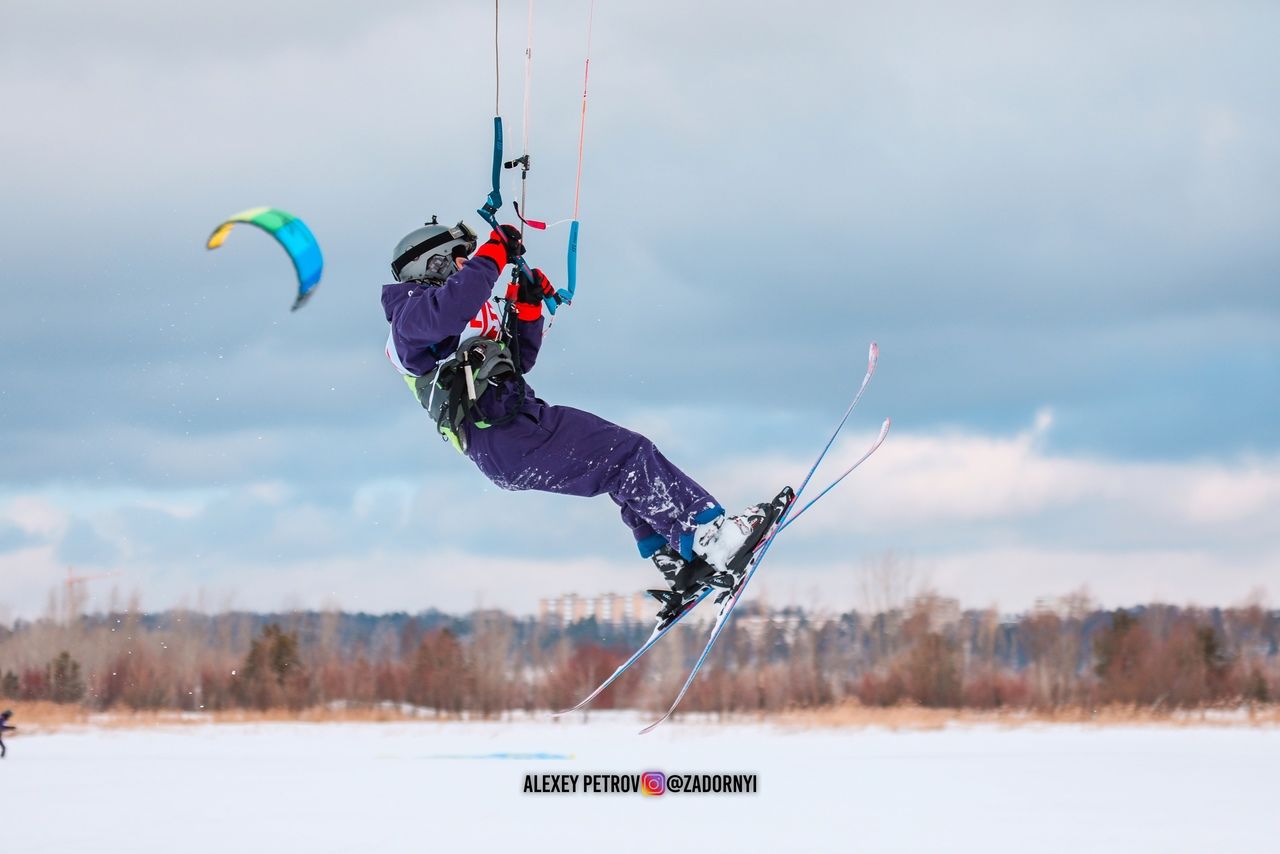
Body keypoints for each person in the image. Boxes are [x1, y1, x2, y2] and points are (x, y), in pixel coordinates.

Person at [381, 219, 789, 624]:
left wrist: (528, 306)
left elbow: (518, 361)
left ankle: (676, 557)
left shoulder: (448, 321)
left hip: (513, 431)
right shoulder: (409, 321)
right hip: (507, 434)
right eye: (458, 259)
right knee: (630, 455)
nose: (465, 267)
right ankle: (711, 539)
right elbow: (448, 308)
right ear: (430, 264)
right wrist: (494, 253)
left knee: (617, 470)